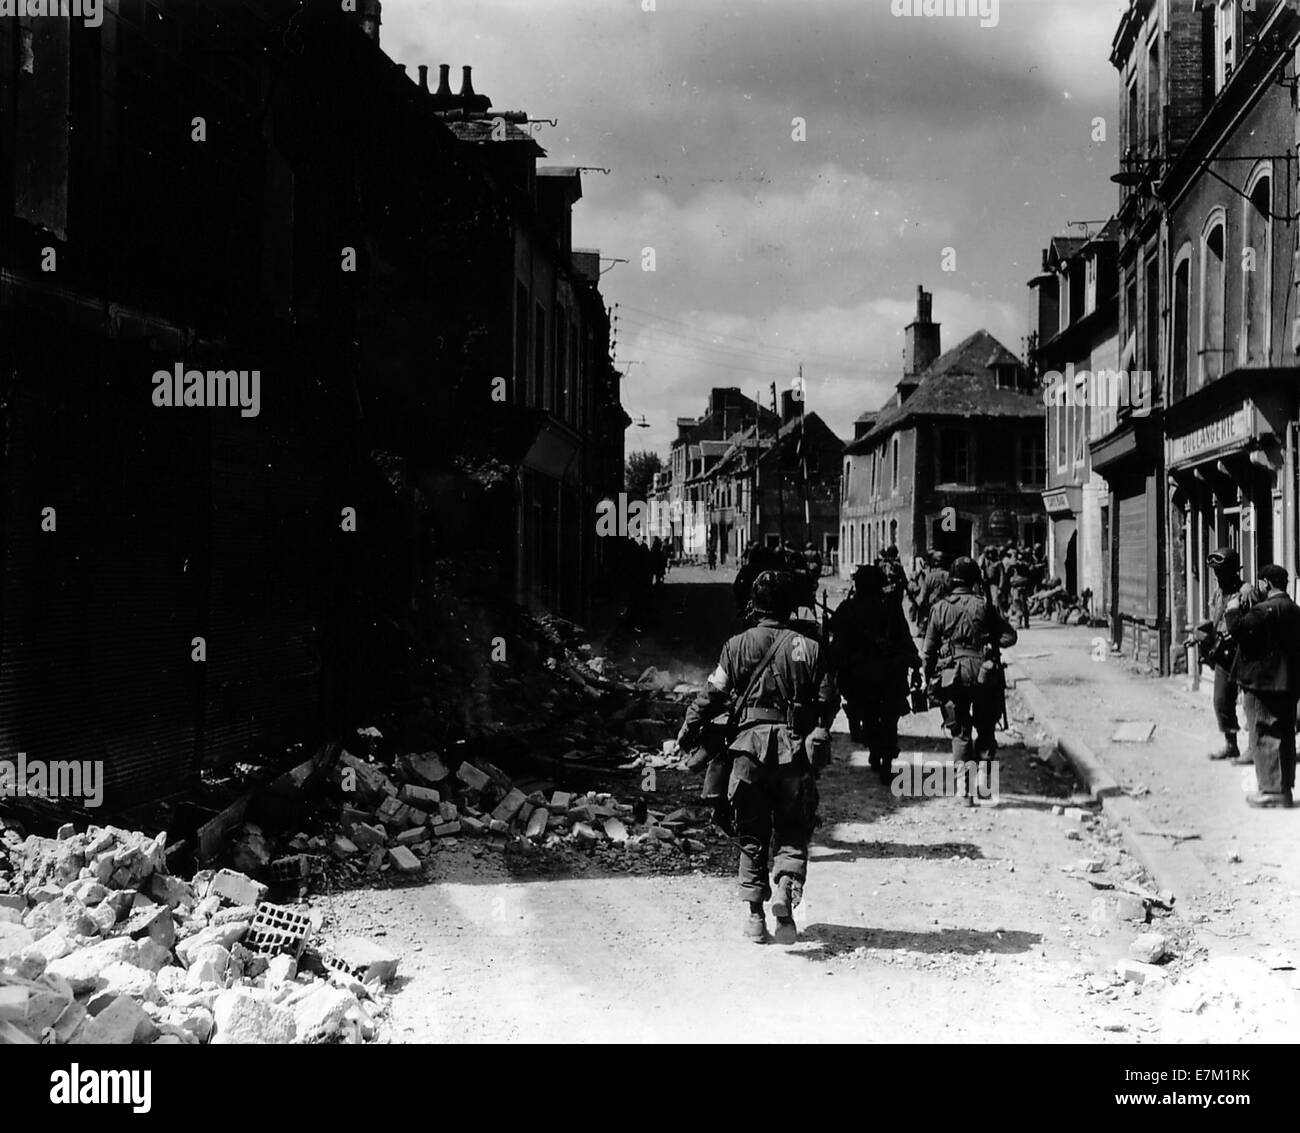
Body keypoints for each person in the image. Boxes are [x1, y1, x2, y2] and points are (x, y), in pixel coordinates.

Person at [674, 570, 839, 944]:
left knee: (751, 834)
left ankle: (753, 918)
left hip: (747, 754)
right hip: (793, 754)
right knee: (793, 829)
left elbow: (712, 694)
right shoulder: (809, 647)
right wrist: (813, 723)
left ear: (754, 605)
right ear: (789, 606)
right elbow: (830, 701)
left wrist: (689, 725)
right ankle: (784, 895)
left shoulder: (735, 646)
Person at [924, 556, 1018, 805]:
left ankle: (964, 793)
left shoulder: (940, 608)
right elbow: (1010, 636)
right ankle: (986, 788)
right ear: (974, 579)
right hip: (983, 673)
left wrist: (928, 679)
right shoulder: (985, 606)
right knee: (986, 729)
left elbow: (929, 651)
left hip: (952, 675)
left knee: (960, 733)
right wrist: (990, 642)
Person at [830, 564, 920, 781]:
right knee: (889, 719)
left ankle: (874, 748)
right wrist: (914, 660)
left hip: (860, 676)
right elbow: (904, 637)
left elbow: (836, 638)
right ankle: (886, 759)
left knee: (869, 714)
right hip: (890, 674)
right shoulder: (890, 607)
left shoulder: (849, 608)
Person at [1225, 565, 1300, 808]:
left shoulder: (1263, 610)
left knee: (1264, 733)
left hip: (1262, 684)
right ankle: (1284, 788)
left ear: (1267, 583)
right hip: (1288, 683)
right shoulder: (1295, 610)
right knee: (1285, 734)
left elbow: (1237, 629)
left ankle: (1271, 790)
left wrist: (1233, 609)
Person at [1193, 547, 1257, 764]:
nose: (1218, 577)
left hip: (1244, 653)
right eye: (1215, 573)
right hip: (1223, 654)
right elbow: (1216, 618)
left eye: (1221, 572)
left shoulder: (1246, 591)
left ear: (1233, 571)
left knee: (1251, 703)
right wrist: (1202, 633)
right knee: (1221, 700)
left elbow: (1252, 624)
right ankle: (1231, 745)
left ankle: (1253, 748)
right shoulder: (1218, 592)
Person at [916, 551, 951, 636]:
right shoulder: (950, 576)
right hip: (948, 611)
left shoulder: (930, 577)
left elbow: (922, 598)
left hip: (934, 612)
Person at [1006, 549, 1033, 630]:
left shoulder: (1021, 565)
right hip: (1020, 587)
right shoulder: (1026, 565)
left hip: (1018, 588)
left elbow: (1013, 566)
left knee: (1019, 605)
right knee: (1023, 605)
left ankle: (1020, 622)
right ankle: (1026, 623)